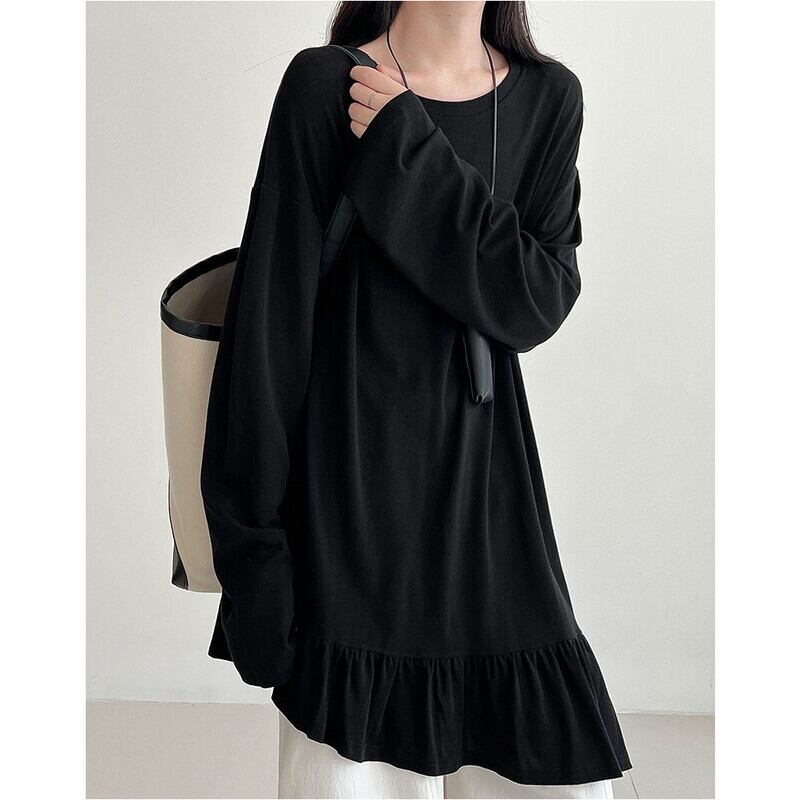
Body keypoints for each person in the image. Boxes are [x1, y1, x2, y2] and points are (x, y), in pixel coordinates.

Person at [201, 2, 631, 797]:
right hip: (352, 513)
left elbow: (534, 301)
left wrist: (410, 155)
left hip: (489, 512)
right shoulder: (329, 86)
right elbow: (267, 334)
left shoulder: (549, 98)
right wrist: (252, 550)